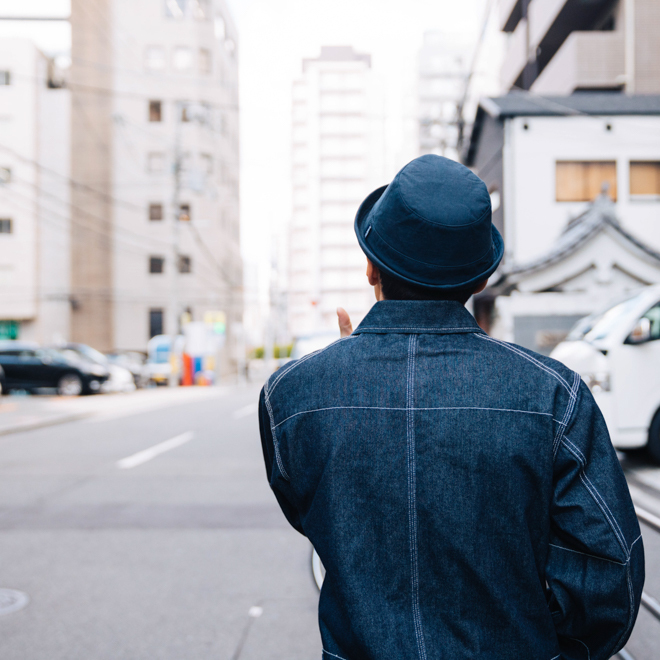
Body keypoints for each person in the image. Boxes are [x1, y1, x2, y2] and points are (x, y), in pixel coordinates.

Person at [258, 155, 644, 660]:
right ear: (481, 279)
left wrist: (344, 388)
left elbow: (315, 516)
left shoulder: (291, 393)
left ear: (371, 265)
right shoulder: (555, 394)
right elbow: (608, 573)